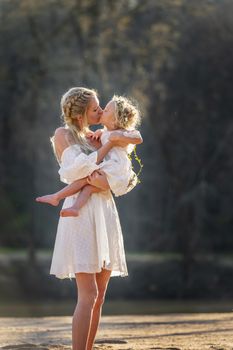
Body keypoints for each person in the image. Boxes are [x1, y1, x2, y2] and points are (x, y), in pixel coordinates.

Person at [38, 87, 141, 350]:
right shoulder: (64, 135)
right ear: (82, 111)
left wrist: (109, 179)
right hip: (81, 213)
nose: (99, 111)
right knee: (89, 293)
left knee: (101, 295)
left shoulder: (100, 134)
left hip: (104, 210)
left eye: (100, 108)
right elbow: (76, 170)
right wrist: (108, 144)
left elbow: (123, 179)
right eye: (95, 108)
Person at [36, 95, 143, 217]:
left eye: (106, 110)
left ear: (114, 120)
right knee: (88, 185)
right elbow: (103, 138)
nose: (102, 110)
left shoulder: (120, 132)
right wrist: (101, 133)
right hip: (107, 168)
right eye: (98, 109)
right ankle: (73, 207)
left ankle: (58, 197)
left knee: (87, 181)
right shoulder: (103, 132)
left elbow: (138, 138)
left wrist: (119, 136)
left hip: (116, 168)